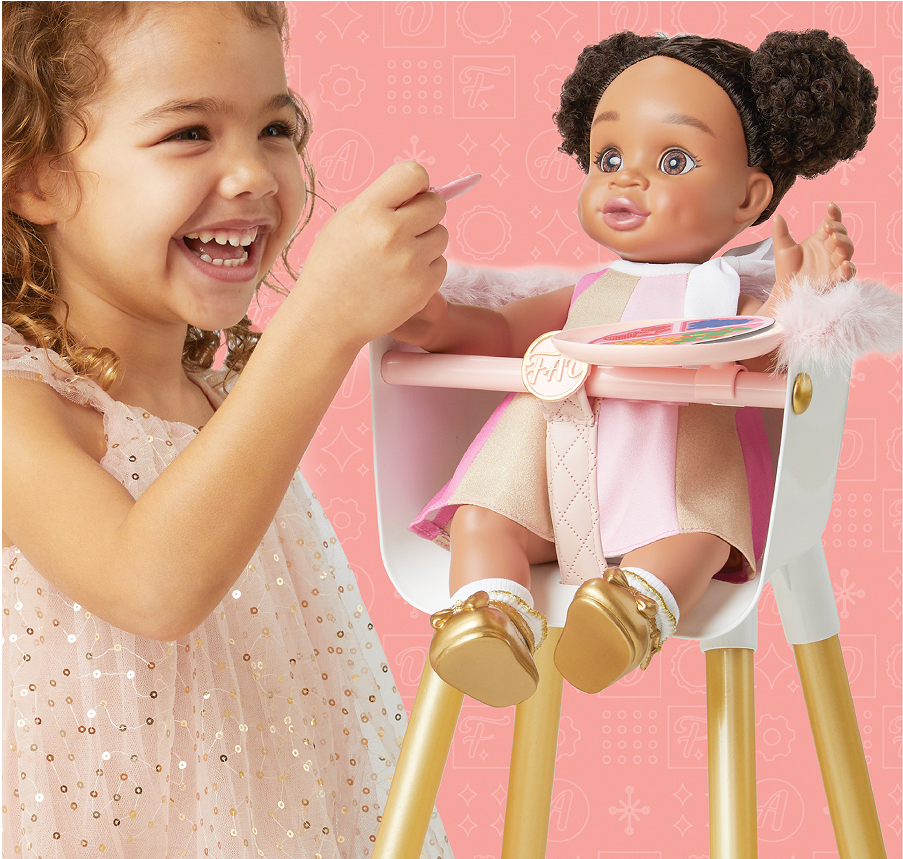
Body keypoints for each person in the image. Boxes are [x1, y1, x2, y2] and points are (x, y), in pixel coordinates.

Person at [1, 1, 453, 856]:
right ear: (36, 178)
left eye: (275, 127)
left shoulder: (225, 394)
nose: (252, 175)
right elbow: (151, 586)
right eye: (188, 134)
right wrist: (319, 323)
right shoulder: (17, 402)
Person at [393, 30, 877, 709]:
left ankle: (633, 610)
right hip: (554, 475)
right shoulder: (584, 292)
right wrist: (434, 321)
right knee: (485, 514)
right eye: (609, 156)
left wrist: (798, 303)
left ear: (747, 198)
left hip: (671, 478)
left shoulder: (725, 292)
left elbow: (765, 355)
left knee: (698, 535)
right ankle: (486, 613)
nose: (625, 177)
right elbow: (501, 328)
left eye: (673, 159)